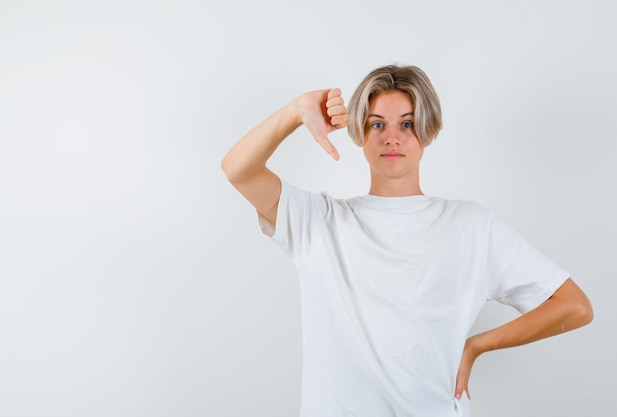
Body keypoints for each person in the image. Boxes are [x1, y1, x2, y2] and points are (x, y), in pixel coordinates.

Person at [221, 64, 593, 417]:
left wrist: (477, 345)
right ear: (360, 135)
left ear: (427, 132)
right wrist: (297, 110)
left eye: (408, 124)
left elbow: (573, 306)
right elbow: (238, 169)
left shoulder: (472, 226)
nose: (392, 137)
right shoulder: (319, 222)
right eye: (377, 124)